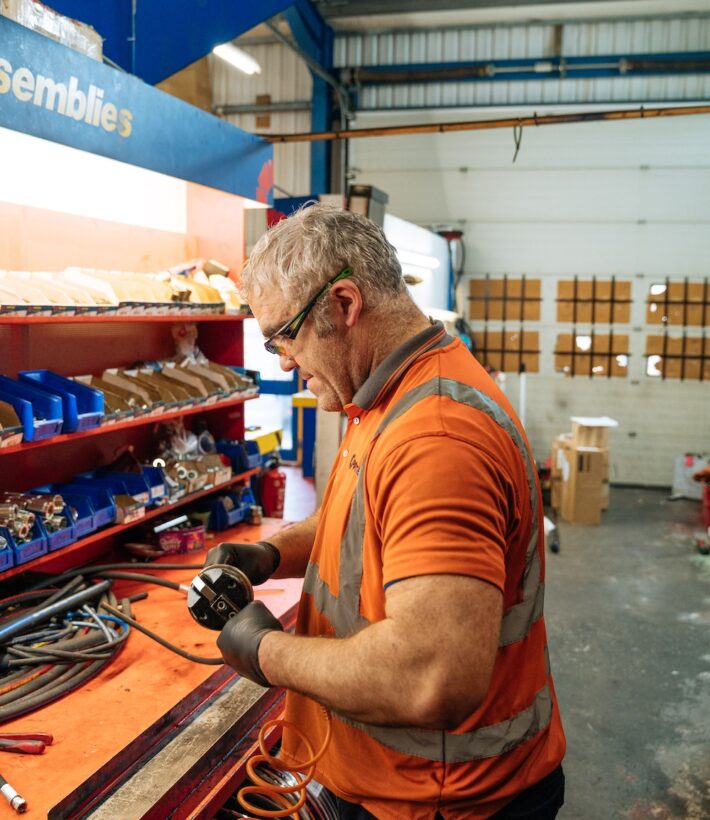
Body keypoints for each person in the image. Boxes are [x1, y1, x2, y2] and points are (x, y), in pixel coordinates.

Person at [205, 204, 566, 819]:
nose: (282, 363)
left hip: (442, 800)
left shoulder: (437, 438)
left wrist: (265, 651)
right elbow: (367, 517)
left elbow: (431, 676)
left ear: (344, 305)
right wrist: (274, 553)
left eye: (283, 336)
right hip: (401, 782)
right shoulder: (386, 395)